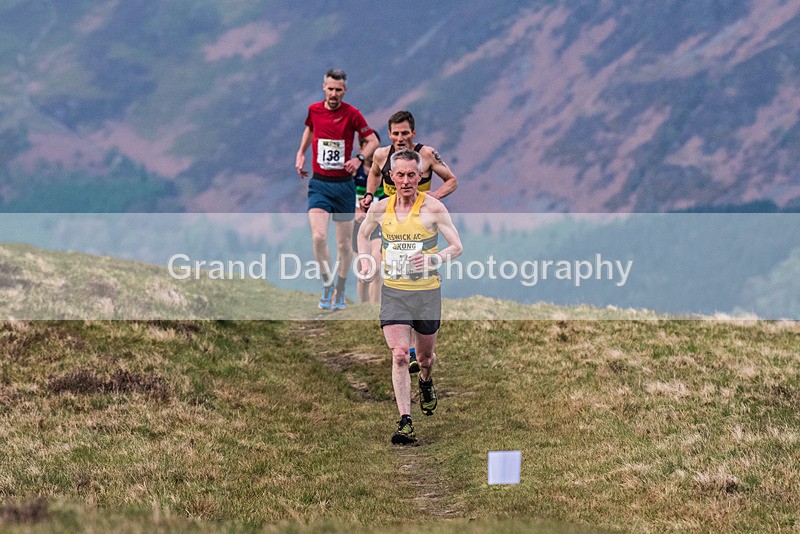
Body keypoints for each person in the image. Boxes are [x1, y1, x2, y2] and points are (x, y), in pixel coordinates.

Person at [357, 149, 463, 445]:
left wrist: (433, 259)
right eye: (400, 175)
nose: (406, 181)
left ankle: (426, 383)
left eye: (411, 175)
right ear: (391, 177)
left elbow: (457, 247)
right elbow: (363, 234)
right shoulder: (380, 209)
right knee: (401, 354)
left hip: (427, 293)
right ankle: (405, 421)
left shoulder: (433, 208)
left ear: (420, 177)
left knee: (425, 358)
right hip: (394, 292)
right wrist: (365, 259)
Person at [360, 110, 458, 370]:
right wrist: (370, 196)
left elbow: (452, 180)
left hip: (420, 223)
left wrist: (433, 197)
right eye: (395, 133)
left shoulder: (426, 155)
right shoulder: (381, 155)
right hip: (391, 217)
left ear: (413, 133)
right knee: (382, 262)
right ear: (389, 133)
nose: (400, 138)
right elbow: (373, 174)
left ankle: (416, 346)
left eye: (405, 133)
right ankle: (390, 322)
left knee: (418, 279)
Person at [296, 68, 379, 311]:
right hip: (320, 185)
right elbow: (310, 129)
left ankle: (341, 290)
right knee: (319, 237)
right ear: (324, 88)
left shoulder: (353, 114)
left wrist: (359, 157)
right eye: (330, 89)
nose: (334, 94)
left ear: (345, 91)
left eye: (338, 90)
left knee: (344, 246)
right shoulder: (314, 110)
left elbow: (372, 140)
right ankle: (327, 284)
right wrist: (300, 153)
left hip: (344, 186)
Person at [352, 132, 382, 303]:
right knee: (362, 272)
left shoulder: (385, 170)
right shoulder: (354, 172)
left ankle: (374, 309)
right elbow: (344, 196)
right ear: (361, 149)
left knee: (376, 269)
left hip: (377, 225)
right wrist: (355, 212)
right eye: (369, 149)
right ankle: (362, 309)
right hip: (358, 225)